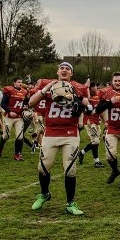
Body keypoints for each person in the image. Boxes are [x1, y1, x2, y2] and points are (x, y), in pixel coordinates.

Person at [28, 62, 93, 215]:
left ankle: (70, 203)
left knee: (70, 169)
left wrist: (85, 105)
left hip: (70, 134)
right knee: (43, 168)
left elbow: (87, 105)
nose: (64, 70)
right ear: (58, 72)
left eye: (67, 69)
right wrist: (45, 89)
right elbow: (31, 102)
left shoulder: (78, 88)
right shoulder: (49, 86)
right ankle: (44, 194)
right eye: (62, 68)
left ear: (71, 74)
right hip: (50, 133)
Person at [0, 77, 30, 161]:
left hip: (19, 117)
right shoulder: (9, 90)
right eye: (18, 82)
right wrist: (9, 111)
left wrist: (26, 108)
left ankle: (17, 154)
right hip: (9, 117)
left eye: (21, 82)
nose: (20, 83)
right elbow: (3, 104)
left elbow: (26, 103)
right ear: (14, 83)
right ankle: (0, 148)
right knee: (6, 136)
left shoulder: (24, 92)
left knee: (20, 136)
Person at [78, 81, 105, 168]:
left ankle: (81, 152)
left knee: (96, 141)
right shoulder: (87, 97)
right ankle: (96, 161)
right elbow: (85, 96)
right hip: (89, 121)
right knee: (95, 141)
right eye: (92, 87)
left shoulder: (99, 96)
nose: (94, 88)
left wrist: (105, 121)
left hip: (97, 121)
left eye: (95, 86)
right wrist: (87, 87)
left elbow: (101, 110)